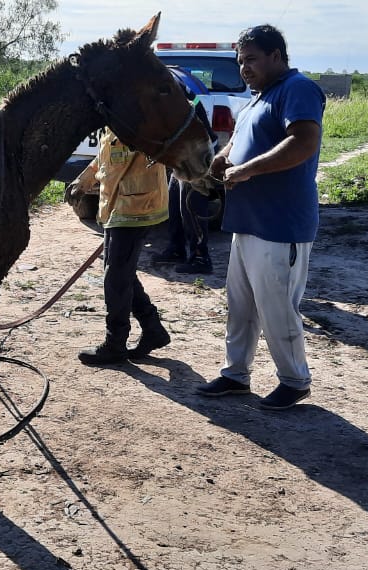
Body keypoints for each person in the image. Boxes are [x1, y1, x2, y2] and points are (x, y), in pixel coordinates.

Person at [196, 24, 325, 410]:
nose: (244, 68)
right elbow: (240, 138)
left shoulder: (296, 88)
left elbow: (303, 141)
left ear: (276, 55)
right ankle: (235, 374)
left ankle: (294, 380)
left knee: (277, 307)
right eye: (240, 61)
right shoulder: (258, 98)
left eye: (251, 59)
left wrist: (248, 169)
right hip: (247, 221)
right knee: (241, 306)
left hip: (279, 223)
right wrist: (224, 156)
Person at [65, 128, 172, 365]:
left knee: (115, 277)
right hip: (117, 207)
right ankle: (153, 328)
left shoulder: (144, 112)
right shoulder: (114, 118)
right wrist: (82, 181)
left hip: (137, 206)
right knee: (121, 275)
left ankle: (115, 343)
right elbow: (105, 156)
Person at [153, 67, 219, 275]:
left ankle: (201, 257)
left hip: (195, 152)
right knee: (175, 203)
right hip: (182, 152)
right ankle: (177, 248)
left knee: (190, 205)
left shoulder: (163, 84)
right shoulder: (158, 81)